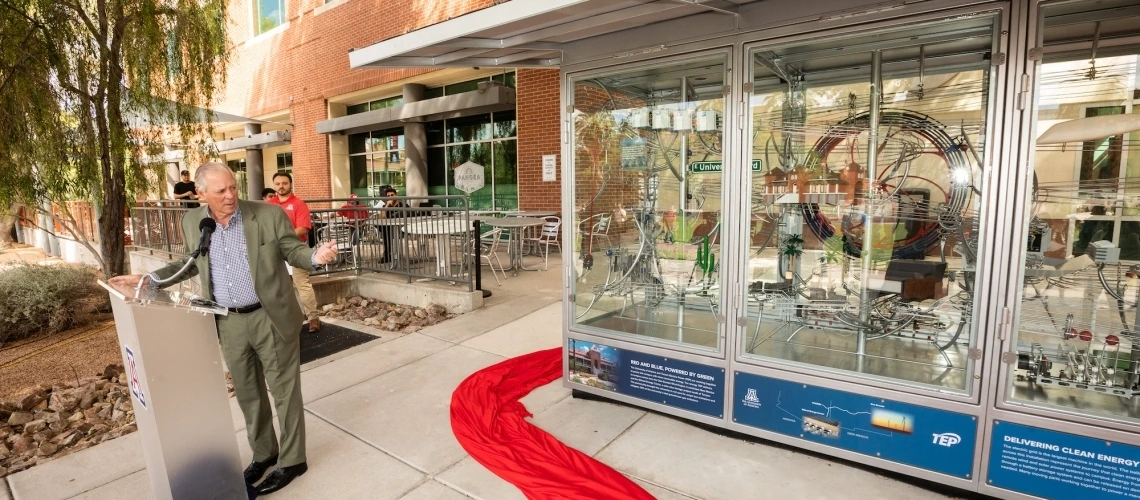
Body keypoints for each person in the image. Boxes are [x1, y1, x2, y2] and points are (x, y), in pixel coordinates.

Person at [109, 163, 337, 495]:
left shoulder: (267, 215)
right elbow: (189, 263)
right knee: (248, 395)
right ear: (200, 194)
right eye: (220, 191)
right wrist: (149, 280)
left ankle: (292, 461)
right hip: (228, 320)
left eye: (233, 187)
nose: (230, 195)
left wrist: (316, 256)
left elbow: (294, 250)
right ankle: (264, 453)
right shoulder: (193, 222)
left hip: (269, 316)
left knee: (284, 393)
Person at [266, 172, 322, 333]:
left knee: (302, 285)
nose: (281, 186)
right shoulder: (269, 205)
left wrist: (281, 237)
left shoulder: (299, 204)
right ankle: (284, 321)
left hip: (295, 250)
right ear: (274, 185)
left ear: (290, 184)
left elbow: (302, 228)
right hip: (274, 251)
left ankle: (313, 318)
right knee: (278, 287)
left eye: (284, 183)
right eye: (277, 184)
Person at [375, 186, 406, 264]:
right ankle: (388, 255)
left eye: (392, 195)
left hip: (401, 228)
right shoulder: (385, 206)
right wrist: (386, 206)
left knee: (386, 232)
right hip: (389, 229)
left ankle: (387, 255)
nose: (390, 197)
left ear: (396, 195)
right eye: (388, 196)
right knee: (386, 230)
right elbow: (382, 218)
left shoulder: (403, 205)